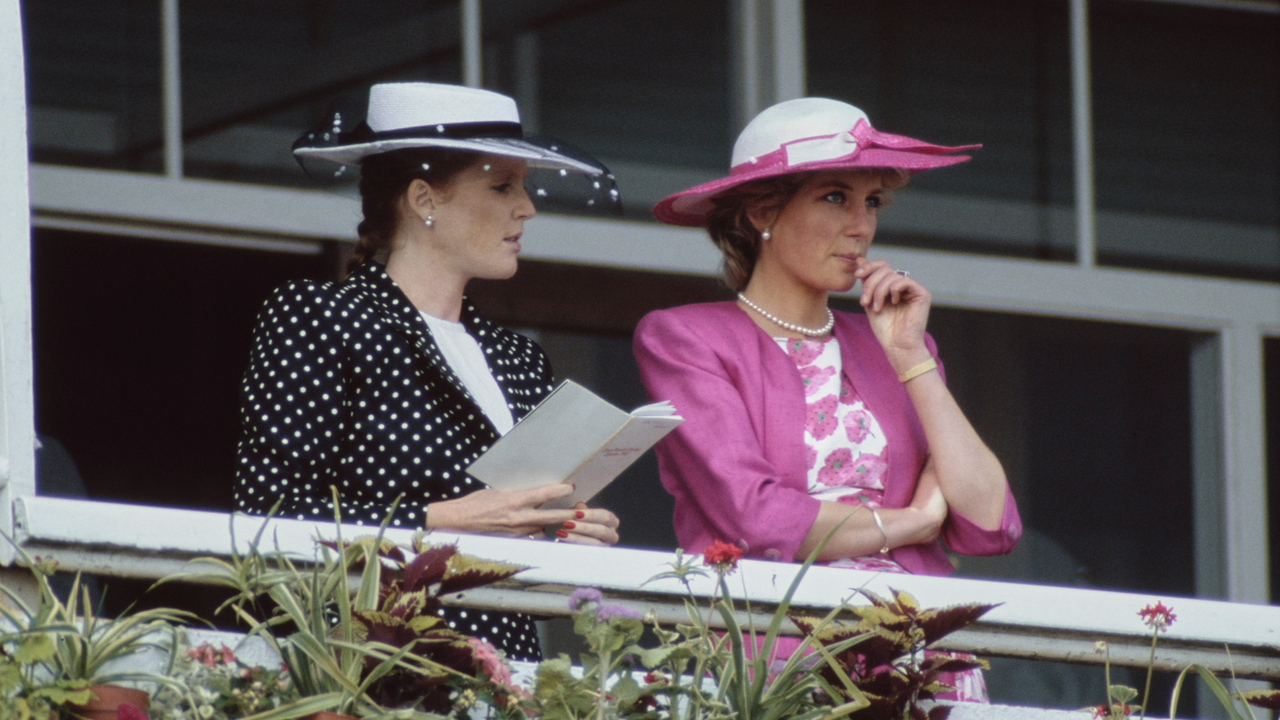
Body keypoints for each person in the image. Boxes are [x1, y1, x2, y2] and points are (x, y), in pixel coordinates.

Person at [634, 97, 1021, 699]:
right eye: (835, 197)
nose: (861, 225)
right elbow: (756, 518)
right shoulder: (686, 337)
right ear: (763, 209)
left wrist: (913, 359)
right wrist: (914, 521)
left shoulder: (892, 345)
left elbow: (988, 521)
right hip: (782, 659)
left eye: (871, 202)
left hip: (928, 656)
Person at [234, 82, 621, 661]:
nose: (527, 206)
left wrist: (567, 531)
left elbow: (520, 534)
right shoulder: (321, 315)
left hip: (504, 669)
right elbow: (269, 518)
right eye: (502, 186)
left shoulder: (517, 356)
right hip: (367, 666)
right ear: (424, 199)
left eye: (524, 186)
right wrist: (443, 521)